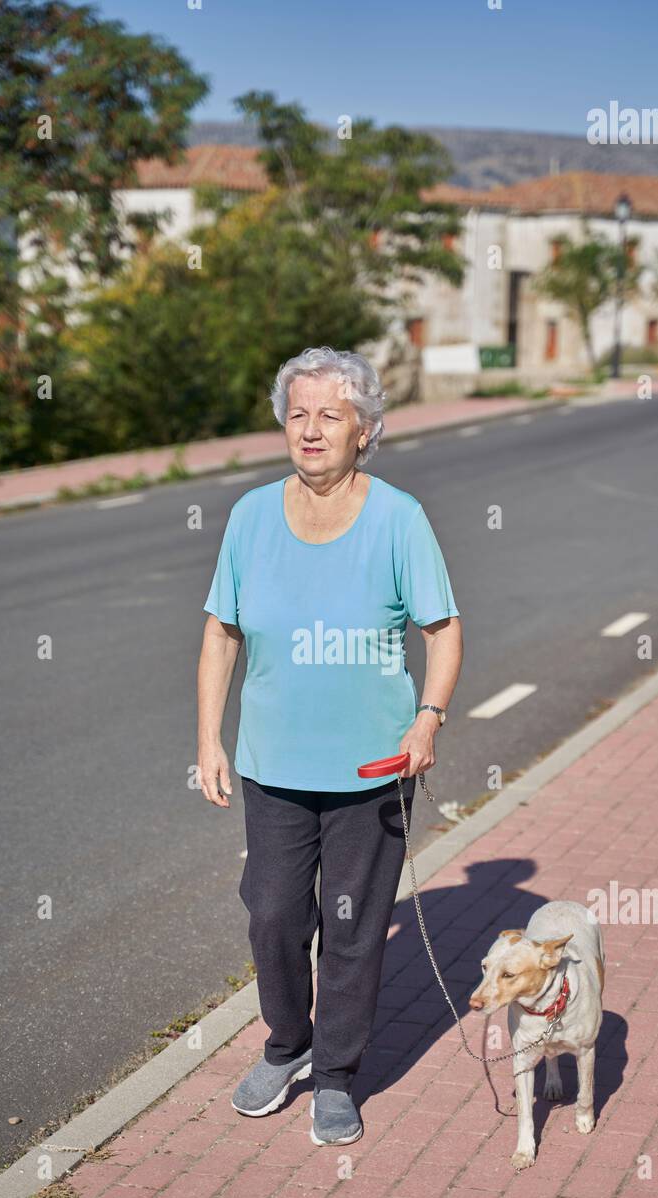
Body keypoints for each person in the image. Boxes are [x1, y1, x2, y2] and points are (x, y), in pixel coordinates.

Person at [197, 345, 463, 1145]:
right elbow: (221, 632)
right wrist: (208, 736)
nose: (310, 430)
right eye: (298, 414)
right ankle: (287, 1043)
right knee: (273, 915)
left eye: (330, 416)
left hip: (373, 768)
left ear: (365, 431)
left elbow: (444, 633)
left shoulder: (398, 519)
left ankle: (338, 1075)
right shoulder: (249, 517)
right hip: (273, 766)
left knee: (352, 927)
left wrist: (428, 719)